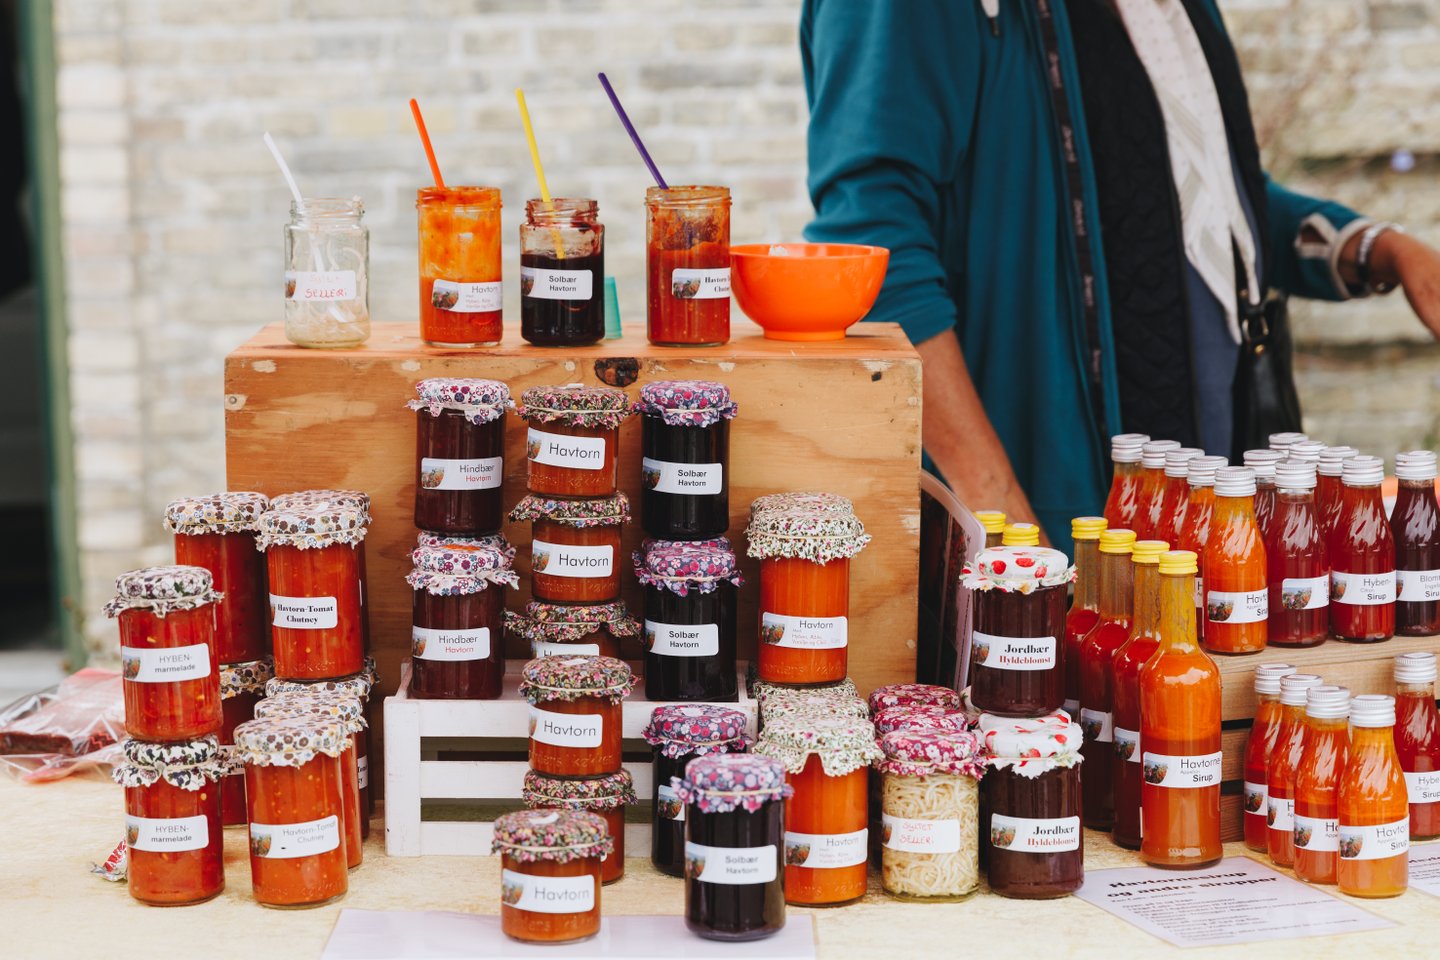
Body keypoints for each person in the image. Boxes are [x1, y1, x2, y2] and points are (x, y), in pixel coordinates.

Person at [801, 0, 1440, 552]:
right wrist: (1004, 528)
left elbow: (1200, 203)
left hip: (1198, 504)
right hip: (1045, 527)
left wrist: (1374, 248)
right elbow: (873, 248)